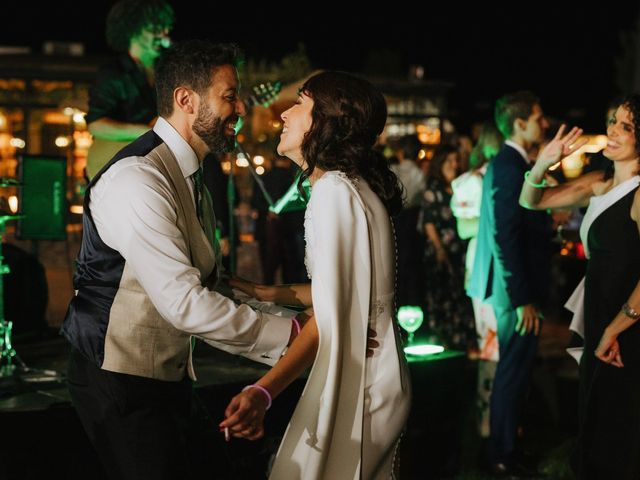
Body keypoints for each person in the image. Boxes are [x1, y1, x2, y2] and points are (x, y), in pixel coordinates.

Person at [61, 40, 301, 480]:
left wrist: (294, 322)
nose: (241, 109)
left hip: (165, 379)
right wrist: (294, 338)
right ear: (185, 100)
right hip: (118, 382)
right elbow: (186, 304)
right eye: (229, 96)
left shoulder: (188, 174)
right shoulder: (139, 178)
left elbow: (208, 286)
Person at [220, 71, 412, 479]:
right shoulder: (349, 187)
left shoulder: (334, 194)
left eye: (300, 102)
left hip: (360, 376)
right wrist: (261, 291)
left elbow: (331, 316)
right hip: (375, 368)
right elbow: (348, 292)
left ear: (327, 120)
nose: (285, 114)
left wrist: (262, 391)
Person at [520, 95, 640, 479]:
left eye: (627, 126)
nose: (614, 131)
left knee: (620, 417)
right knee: (594, 409)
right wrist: (543, 161)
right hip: (599, 311)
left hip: (627, 323)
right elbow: (531, 201)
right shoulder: (598, 183)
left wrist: (615, 328)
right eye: (612, 121)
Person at [467, 91, 553, 476]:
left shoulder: (510, 163)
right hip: (512, 291)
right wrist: (521, 299)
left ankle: (507, 447)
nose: (545, 123)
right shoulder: (507, 165)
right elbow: (504, 233)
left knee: (515, 369)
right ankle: (502, 455)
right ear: (520, 123)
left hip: (511, 288)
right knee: (512, 370)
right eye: (538, 117)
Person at [450, 120, 503, 437]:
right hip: (484, 268)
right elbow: (464, 228)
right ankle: (486, 419)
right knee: (491, 344)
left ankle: (501, 414)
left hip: (505, 268)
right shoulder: (473, 181)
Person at [84, 0, 174, 179]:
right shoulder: (113, 73)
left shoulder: (170, 72)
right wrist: (148, 132)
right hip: (118, 166)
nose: (164, 35)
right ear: (133, 29)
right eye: (155, 28)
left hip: (157, 164)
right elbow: (96, 125)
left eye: (165, 28)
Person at [390, 134, 425, 307]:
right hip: (413, 223)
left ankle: (399, 304)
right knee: (412, 267)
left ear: (401, 152)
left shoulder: (393, 171)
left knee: (396, 266)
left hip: (396, 221)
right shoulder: (420, 174)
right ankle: (413, 305)